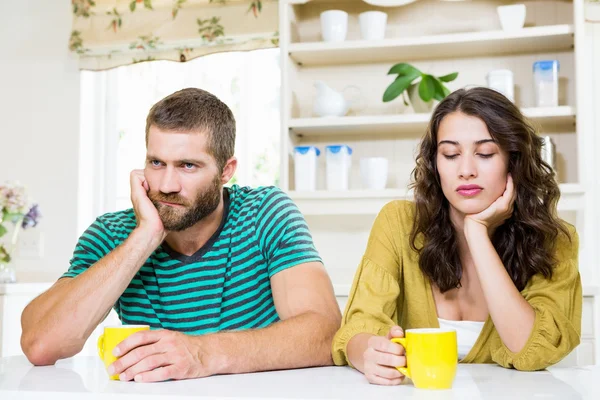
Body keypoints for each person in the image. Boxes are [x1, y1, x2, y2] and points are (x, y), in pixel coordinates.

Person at [21, 88, 341, 382]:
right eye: (156, 162)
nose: (166, 185)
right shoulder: (113, 233)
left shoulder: (264, 213)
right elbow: (40, 344)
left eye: (187, 165)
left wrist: (202, 353)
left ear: (226, 170)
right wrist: (146, 235)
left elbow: (324, 333)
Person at [331, 87, 582, 384]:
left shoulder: (555, 240)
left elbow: (531, 350)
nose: (466, 170)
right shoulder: (399, 223)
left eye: (485, 153)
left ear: (512, 161)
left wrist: (477, 233)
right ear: (435, 164)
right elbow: (359, 325)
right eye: (450, 154)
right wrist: (368, 355)